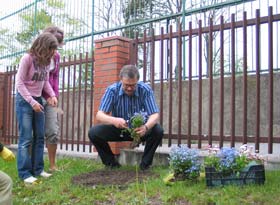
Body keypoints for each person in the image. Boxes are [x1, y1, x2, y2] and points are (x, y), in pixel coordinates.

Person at [88, 64, 163, 170]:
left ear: (137, 81)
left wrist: (145, 127)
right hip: (120, 129)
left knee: (158, 130)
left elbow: (155, 114)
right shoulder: (112, 90)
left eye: (133, 85)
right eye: (126, 84)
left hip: (140, 130)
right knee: (94, 133)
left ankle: (145, 165)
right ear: (121, 80)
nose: (129, 88)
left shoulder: (145, 90)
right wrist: (114, 120)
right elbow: (99, 115)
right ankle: (111, 164)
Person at [15, 32, 58, 184]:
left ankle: (38, 170)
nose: (53, 52)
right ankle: (25, 173)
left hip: (38, 99)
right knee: (26, 138)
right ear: (43, 47)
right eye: (51, 49)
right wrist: (31, 102)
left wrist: (52, 95)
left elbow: (45, 82)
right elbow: (19, 83)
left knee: (39, 137)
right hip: (24, 100)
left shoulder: (47, 62)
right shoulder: (27, 59)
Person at [42, 26, 64, 172]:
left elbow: (54, 77)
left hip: (51, 98)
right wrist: (46, 96)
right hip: (36, 97)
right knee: (35, 133)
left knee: (52, 131)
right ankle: (34, 166)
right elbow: (38, 80)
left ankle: (52, 165)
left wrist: (54, 96)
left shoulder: (56, 57)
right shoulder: (37, 55)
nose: (55, 49)